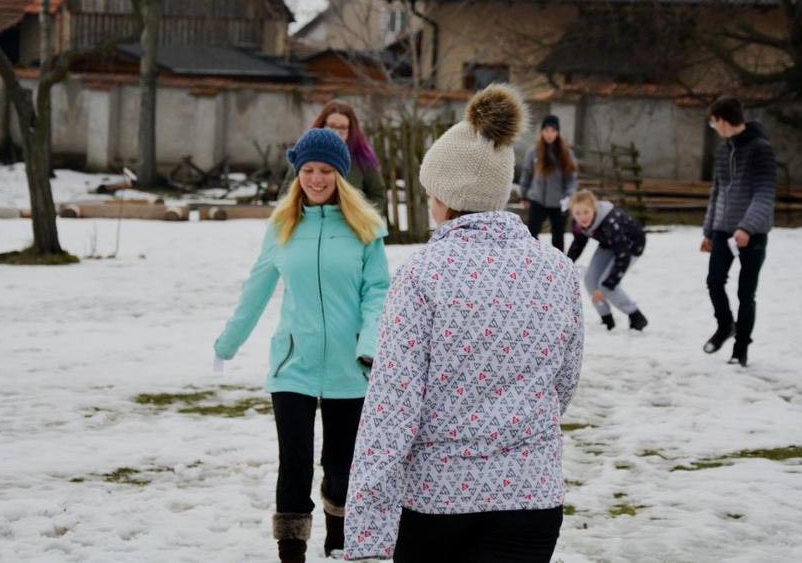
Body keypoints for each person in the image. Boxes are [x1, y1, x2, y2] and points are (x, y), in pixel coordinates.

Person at [344, 84, 585, 563]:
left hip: (440, 498)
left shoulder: (422, 274)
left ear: (445, 195)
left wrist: (367, 530)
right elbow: (564, 380)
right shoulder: (556, 268)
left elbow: (392, 406)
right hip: (531, 495)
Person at [213, 128, 391, 563]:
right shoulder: (281, 227)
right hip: (293, 364)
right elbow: (256, 289)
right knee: (293, 462)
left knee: (341, 467)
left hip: (351, 366)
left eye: (325, 171)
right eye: (308, 170)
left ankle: (339, 540)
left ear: (340, 176)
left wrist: (368, 345)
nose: (315, 179)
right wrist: (227, 343)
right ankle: (290, 551)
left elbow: (378, 293)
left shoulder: (365, 228)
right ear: (298, 173)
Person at [700, 96, 777, 367]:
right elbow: (717, 192)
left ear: (721, 120)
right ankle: (725, 326)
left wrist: (747, 227)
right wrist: (709, 231)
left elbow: (765, 194)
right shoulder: (723, 152)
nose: (714, 127)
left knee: (746, 293)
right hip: (722, 231)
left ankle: (741, 348)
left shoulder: (761, 149)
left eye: (713, 122)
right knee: (714, 281)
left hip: (752, 234)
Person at [280, 99, 386, 211]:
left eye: (343, 128)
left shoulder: (362, 159)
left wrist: (363, 219)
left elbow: (377, 194)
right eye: (331, 126)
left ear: (351, 130)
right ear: (322, 125)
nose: (337, 132)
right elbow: (286, 194)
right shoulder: (306, 154)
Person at [566, 189, 648, 331]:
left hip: (630, 246)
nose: (582, 217)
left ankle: (636, 317)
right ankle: (607, 320)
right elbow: (578, 243)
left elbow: (623, 256)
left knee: (606, 286)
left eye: (586, 212)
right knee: (590, 281)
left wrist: (609, 283)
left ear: (594, 209)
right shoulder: (578, 224)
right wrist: (565, 264)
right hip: (609, 243)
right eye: (577, 213)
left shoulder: (610, 221)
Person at [519, 114, 579, 251]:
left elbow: (572, 179)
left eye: (553, 131)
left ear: (557, 132)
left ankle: (558, 266)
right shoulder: (533, 152)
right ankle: (531, 262)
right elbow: (527, 174)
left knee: (558, 237)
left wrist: (568, 196)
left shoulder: (566, 153)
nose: (549, 134)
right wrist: (524, 194)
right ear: (542, 132)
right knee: (531, 235)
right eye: (546, 130)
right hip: (538, 201)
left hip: (558, 203)